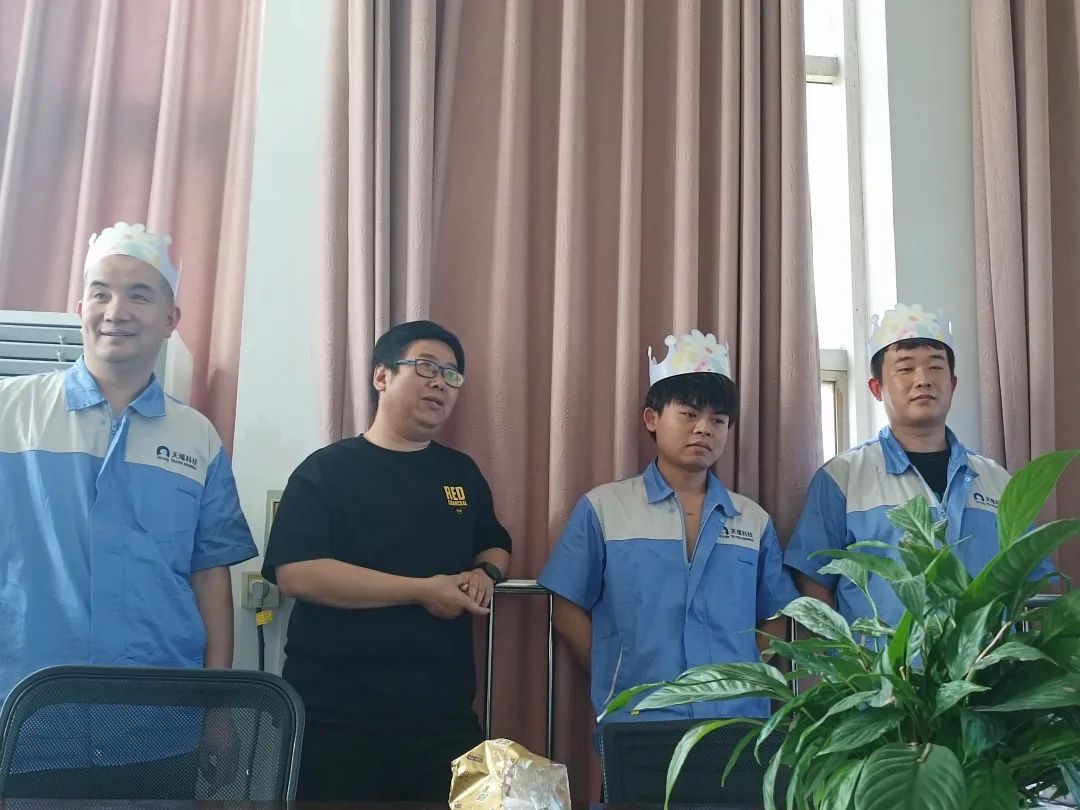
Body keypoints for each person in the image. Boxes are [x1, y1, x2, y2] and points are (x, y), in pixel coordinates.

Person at [0, 222, 257, 796]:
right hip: (27, 719)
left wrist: (217, 709)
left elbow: (209, 576)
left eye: (139, 295)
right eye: (101, 293)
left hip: (159, 724)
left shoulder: (197, 438)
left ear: (170, 318)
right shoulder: (10, 414)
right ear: (80, 309)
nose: (116, 311)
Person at [262, 319, 512, 802]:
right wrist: (421, 590)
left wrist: (485, 573)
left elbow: (495, 543)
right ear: (382, 376)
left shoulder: (460, 472)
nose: (441, 383)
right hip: (336, 715)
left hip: (443, 715)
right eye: (426, 367)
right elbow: (297, 573)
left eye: (452, 374)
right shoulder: (326, 470)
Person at [538, 329, 797, 727]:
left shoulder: (753, 520)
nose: (704, 428)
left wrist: (745, 680)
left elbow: (776, 614)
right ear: (652, 418)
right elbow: (566, 607)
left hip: (736, 723)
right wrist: (616, 674)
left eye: (718, 420)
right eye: (689, 414)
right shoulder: (604, 509)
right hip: (638, 718)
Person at [784, 303, 1054, 627]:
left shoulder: (997, 480)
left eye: (935, 366)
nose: (923, 380)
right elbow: (814, 583)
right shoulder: (843, 478)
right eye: (906, 368)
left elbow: (1031, 579)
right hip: (883, 661)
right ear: (877, 388)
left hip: (986, 660)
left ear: (952, 383)